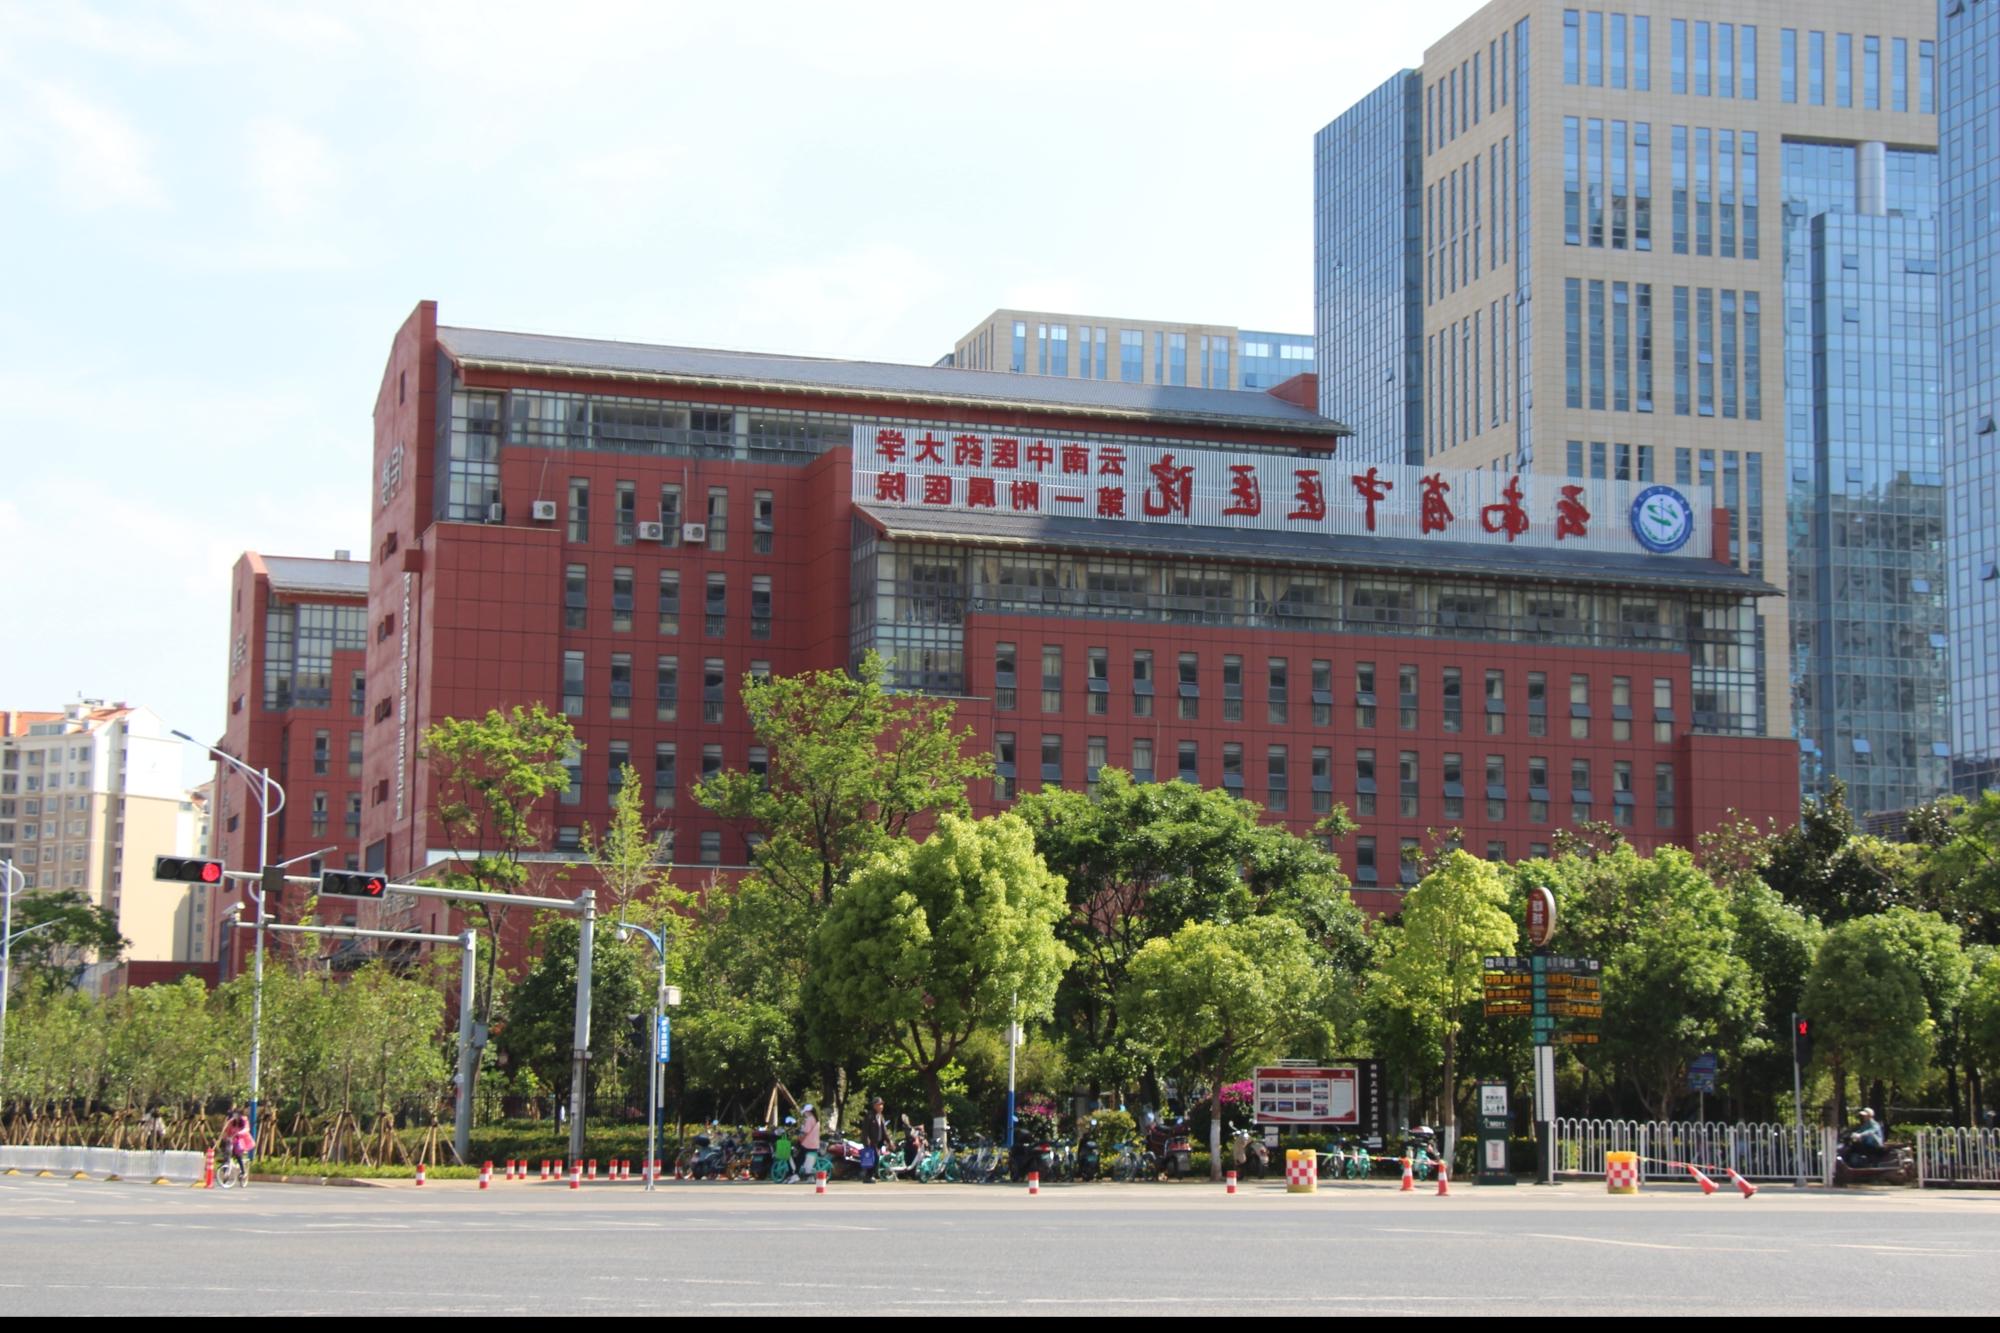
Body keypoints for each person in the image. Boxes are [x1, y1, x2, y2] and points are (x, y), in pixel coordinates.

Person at [860, 1097, 890, 1184]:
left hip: (879, 1142)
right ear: (874, 1106)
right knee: (873, 1159)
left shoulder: (880, 1116)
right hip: (871, 1142)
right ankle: (868, 1176)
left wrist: (889, 1141)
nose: (881, 1106)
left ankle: (870, 1176)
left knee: (875, 1159)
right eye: (879, 1105)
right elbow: (865, 1131)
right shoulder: (869, 1116)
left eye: (882, 1104)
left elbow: (884, 1130)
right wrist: (867, 1141)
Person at [219, 1108, 253, 1181]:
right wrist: (224, 1136)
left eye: (237, 1114)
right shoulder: (231, 1122)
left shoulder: (244, 1120)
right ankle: (225, 1172)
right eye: (234, 1114)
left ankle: (243, 1172)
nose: (235, 1115)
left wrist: (239, 1133)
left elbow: (246, 1129)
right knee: (227, 1155)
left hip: (241, 1141)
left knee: (238, 1155)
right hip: (232, 1141)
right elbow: (227, 1130)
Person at [791, 1103, 820, 1182]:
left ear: (809, 1112)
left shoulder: (810, 1119)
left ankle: (795, 1175)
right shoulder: (816, 1119)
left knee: (798, 1159)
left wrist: (799, 1139)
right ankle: (810, 1178)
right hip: (814, 1144)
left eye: (805, 1112)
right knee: (804, 1159)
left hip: (808, 1144)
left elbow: (805, 1132)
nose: (804, 1114)